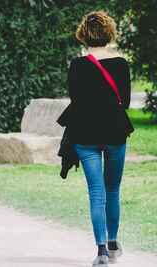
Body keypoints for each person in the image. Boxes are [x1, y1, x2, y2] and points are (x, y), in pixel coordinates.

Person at [67, 11, 134, 267]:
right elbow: (125, 102)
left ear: (83, 35)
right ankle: (114, 243)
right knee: (112, 190)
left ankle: (102, 252)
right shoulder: (120, 64)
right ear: (109, 34)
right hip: (114, 133)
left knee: (96, 193)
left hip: (85, 134)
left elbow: (76, 102)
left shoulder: (77, 64)